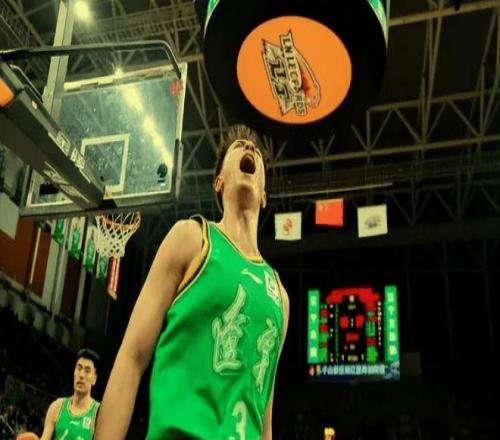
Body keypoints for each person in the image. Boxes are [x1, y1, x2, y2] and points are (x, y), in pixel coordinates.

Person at [95, 124, 290, 439]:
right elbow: (132, 356)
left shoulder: (279, 295)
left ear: (264, 195)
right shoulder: (192, 239)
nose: (249, 148)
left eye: (254, 148)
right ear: (219, 182)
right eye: (238, 146)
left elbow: (264, 413)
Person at [39, 349, 100, 440]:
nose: (81, 375)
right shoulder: (56, 407)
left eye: (87, 371)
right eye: (79, 368)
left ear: (94, 379)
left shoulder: (98, 413)